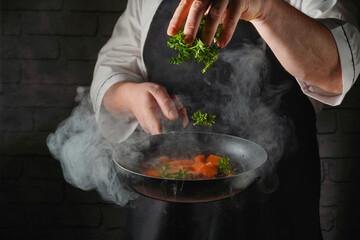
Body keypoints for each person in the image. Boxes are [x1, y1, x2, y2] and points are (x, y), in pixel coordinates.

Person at [90, 0, 360, 239]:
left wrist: (265, 8)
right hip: (165, 191)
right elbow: (111, 72)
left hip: (272, 198)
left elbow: (336, 72)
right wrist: (129, 95)